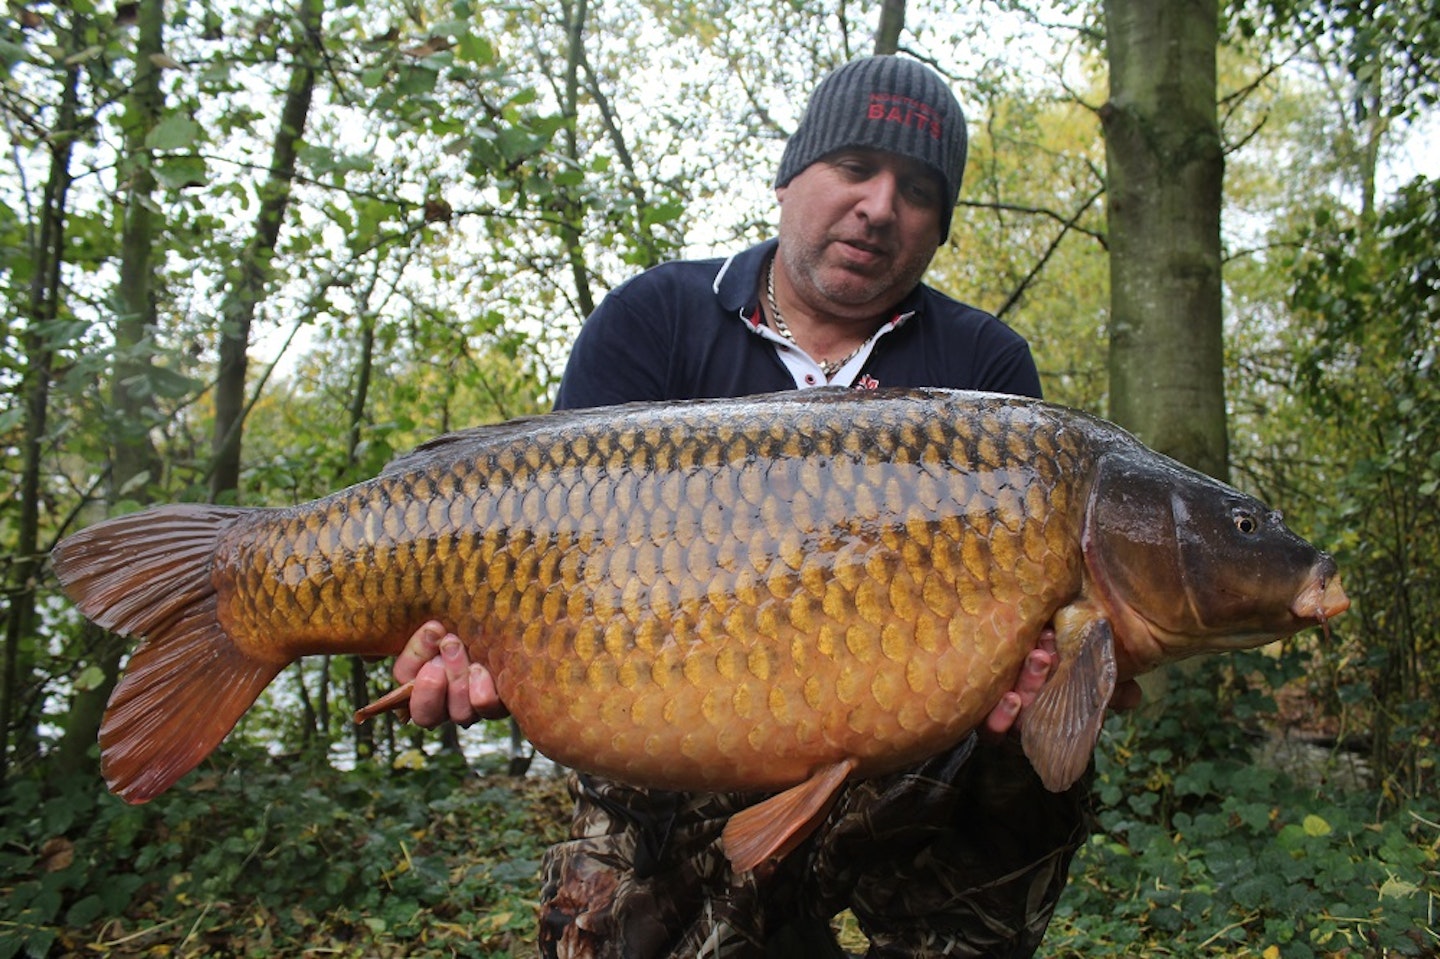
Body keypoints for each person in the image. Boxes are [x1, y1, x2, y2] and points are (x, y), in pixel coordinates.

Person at [393, 55, 1137, 958]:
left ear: (938, 229)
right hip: (674, 733)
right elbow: (545, 554)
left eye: (918, 189)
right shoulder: (654, 318)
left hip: (905, 761)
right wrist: (467, 635)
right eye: (856, 168)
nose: (879, 206)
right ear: (789, 177)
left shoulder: (985, 373)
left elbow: (1047, 660)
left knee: (1006, 779)